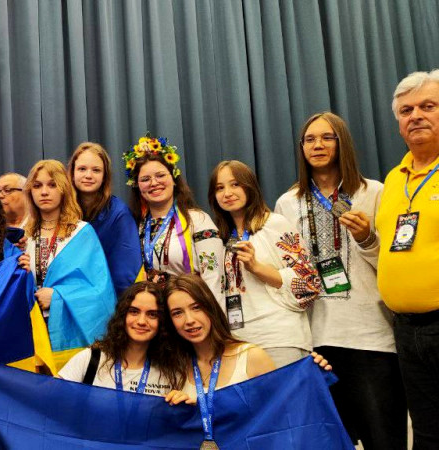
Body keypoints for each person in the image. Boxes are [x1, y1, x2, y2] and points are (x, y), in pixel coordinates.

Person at [274, 112, 404, 448]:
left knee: (383, 439)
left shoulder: (373, 192)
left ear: (342, 142)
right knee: (330, 442)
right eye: (309, 139)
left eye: (326, 137)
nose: (317, 145)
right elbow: (287, 271)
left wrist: (366, 239)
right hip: (316, 340)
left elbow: (395, 263)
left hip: (371, 337)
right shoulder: (288, 203)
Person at [164, 274, 332, 446]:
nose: (189, 320)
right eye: (177, 313)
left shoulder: (251, 357)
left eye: (196, 307)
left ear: (210, 307)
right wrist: (180, 410)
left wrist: (312, 376)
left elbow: (285, 416)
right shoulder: (175, 369)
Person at [376, 69, 439, 447]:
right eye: (406, 110)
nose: (415, 116)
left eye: (428, 106)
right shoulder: (393, 179)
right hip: (406, 329)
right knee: (428, 433)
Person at [208, 160, 320, 367]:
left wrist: (257, 268)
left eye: (235, 184)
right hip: (237, 341)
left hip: (279, 338)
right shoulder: (220, 237)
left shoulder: (274, 224)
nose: (227, 193)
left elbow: (309, 284)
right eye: (219, 188)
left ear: (250, 186)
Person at [24, 159, 115, 368]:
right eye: (37, 186)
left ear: (64, 189)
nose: (44, 192)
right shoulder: (23, 235)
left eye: (52, 185)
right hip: (32, 329)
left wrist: (57, 297)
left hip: (67, 330)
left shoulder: (81, 232)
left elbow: (100, 292)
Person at [124, 134, 223, 298]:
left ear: (174, 178)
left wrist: (211, 311)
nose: (154, 183)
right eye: (145, 179)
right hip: (154, 309)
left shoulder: (198, 220)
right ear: (137, 186)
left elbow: (214, 276)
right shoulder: (136, 227)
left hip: (190, 307)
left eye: (160, 175)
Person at [59, 281, 186, 400]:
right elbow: (53, 400)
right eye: (134, 311)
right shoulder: (90, 359)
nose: (141, 321)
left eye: (152, 314)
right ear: (122, 315)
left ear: (162, 321)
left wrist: (182, 403)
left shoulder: (171, 372)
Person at [67, 142, 141, 297]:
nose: (88, 175)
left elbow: (125, 275)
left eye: (96, 170)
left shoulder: (119, 214)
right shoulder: (61, 211)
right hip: (66, 295)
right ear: (72, 173)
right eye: (82, 169)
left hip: (105, 298)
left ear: (104, 176)